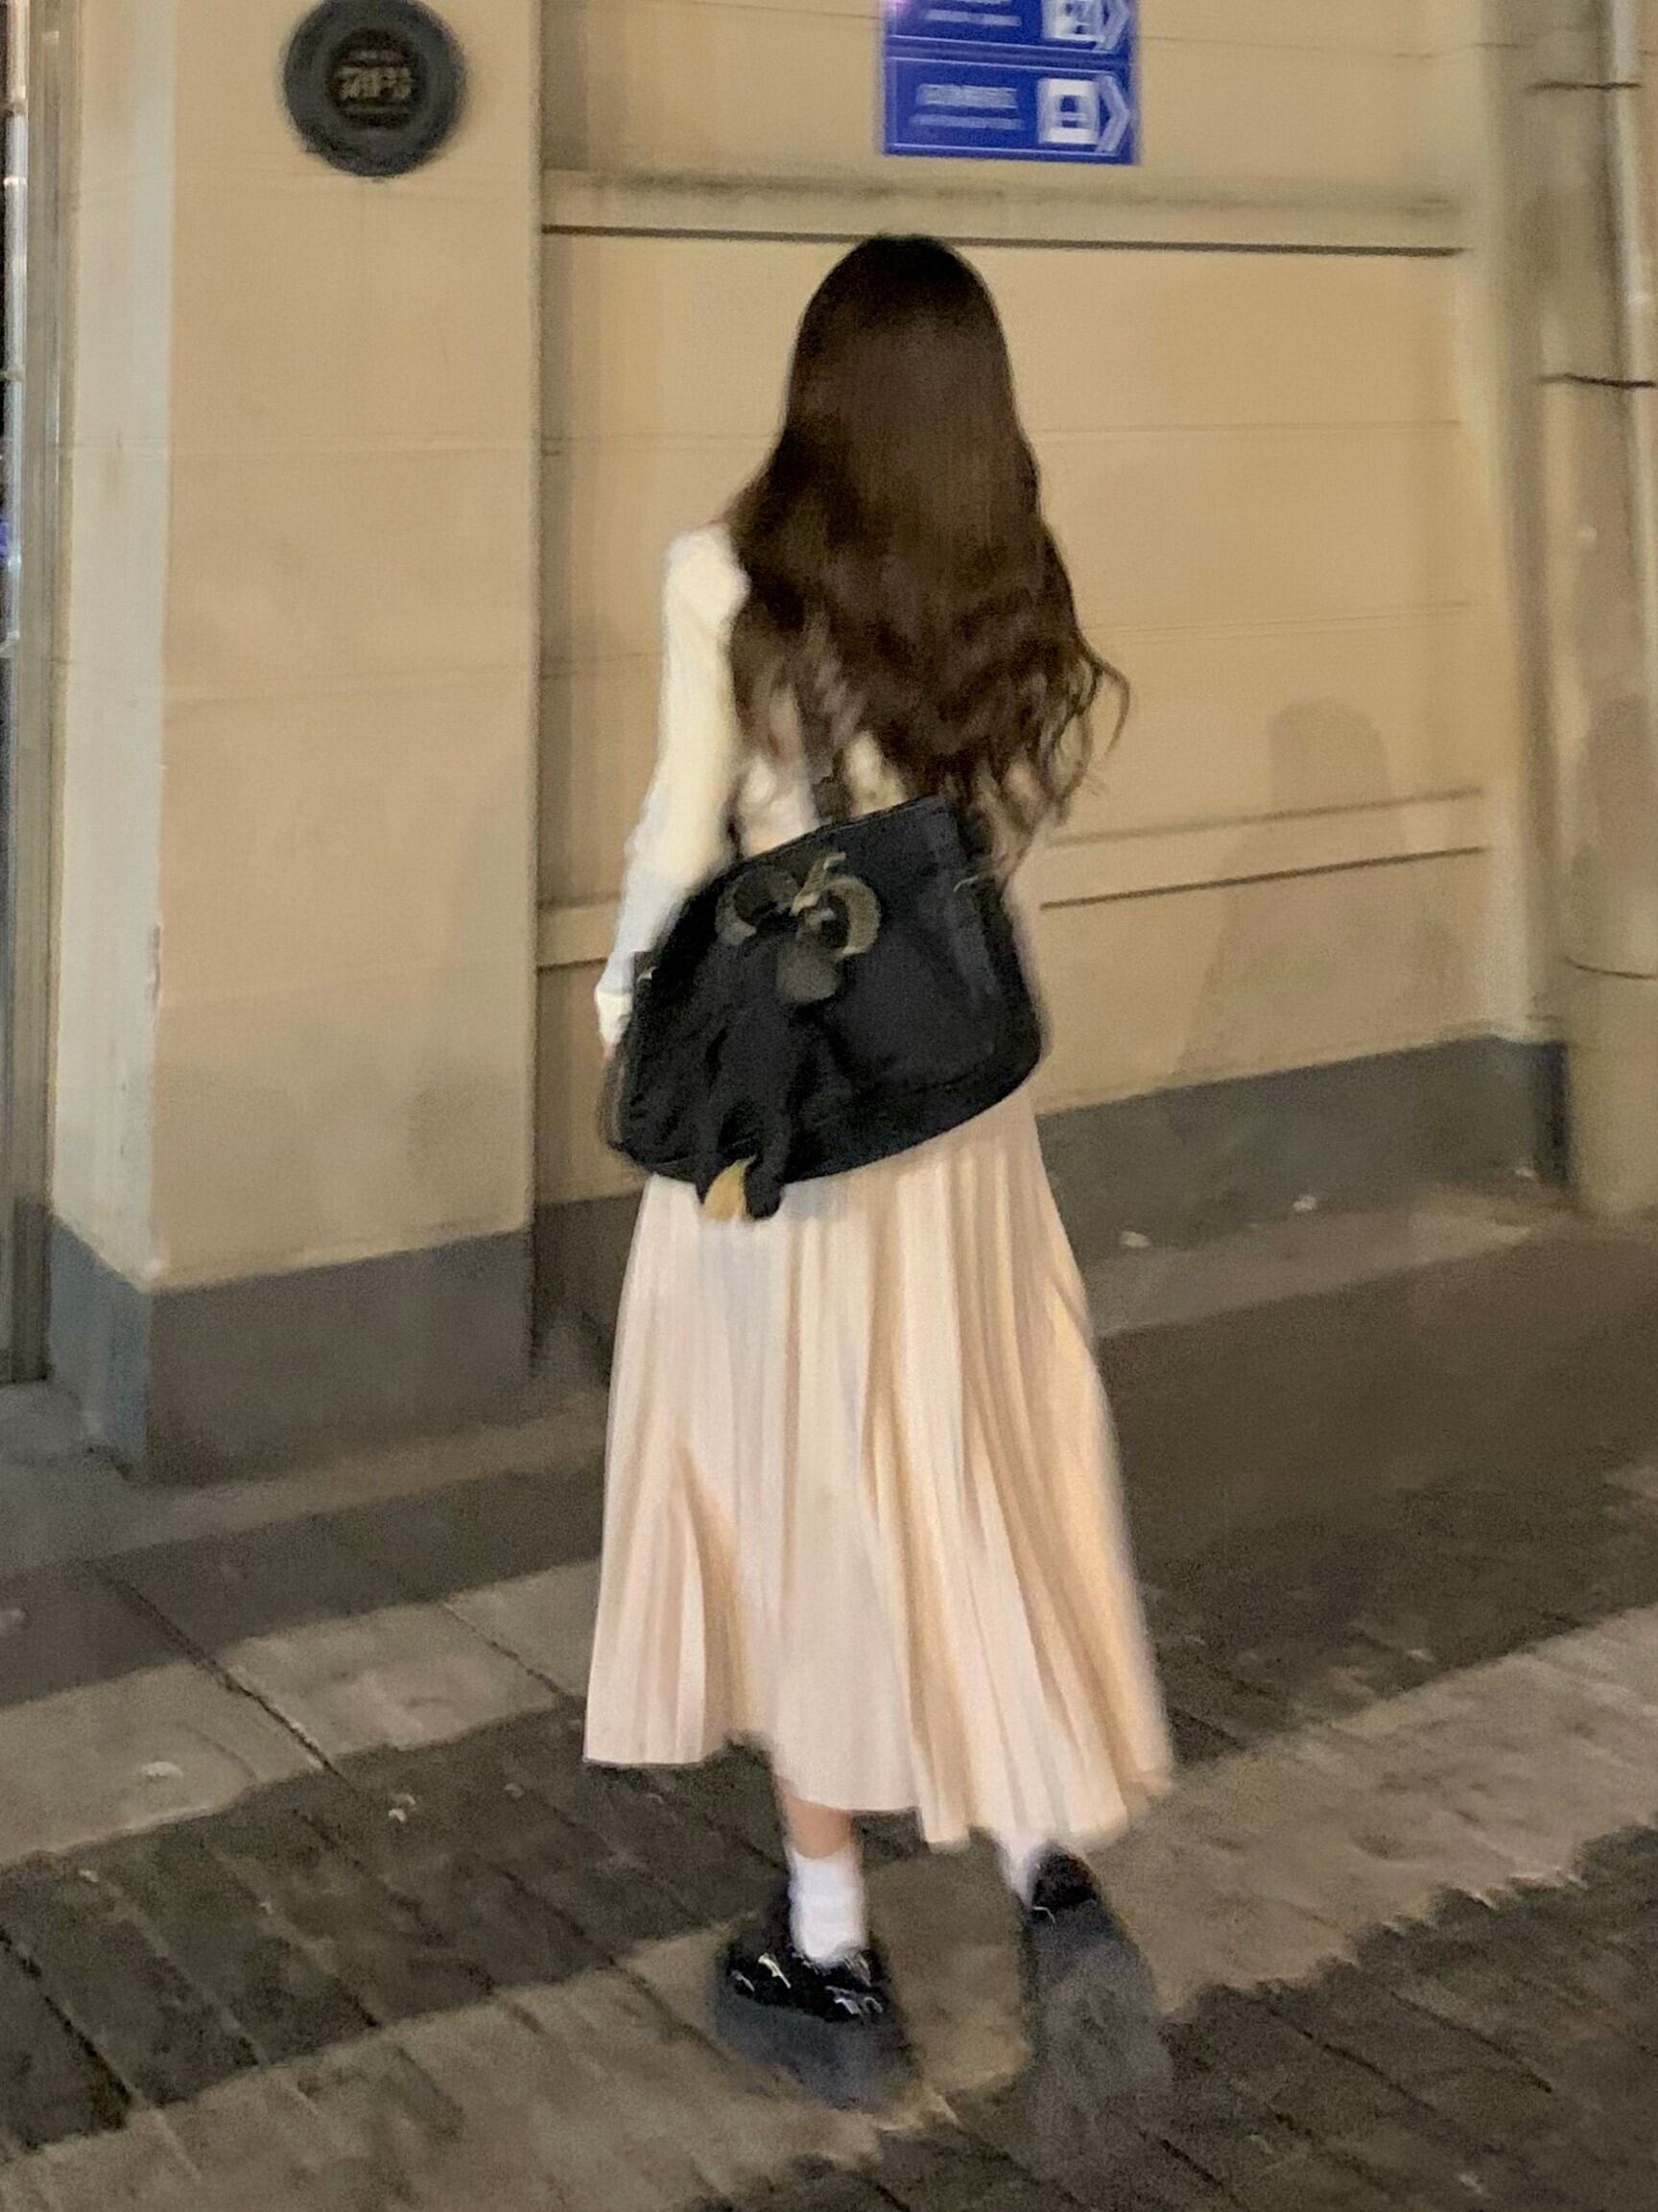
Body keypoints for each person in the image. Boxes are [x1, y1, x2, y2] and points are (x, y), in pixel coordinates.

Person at [585, 236, 1173, 2114]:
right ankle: (1047, 1871)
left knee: (812, 1504)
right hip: (964, 1126)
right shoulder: (1005, 579)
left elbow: (683, 842)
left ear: (820, 386)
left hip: (799, 1130)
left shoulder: (726, 581)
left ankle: (829, 1948)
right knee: (980, 1471)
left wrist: (630, 1018)